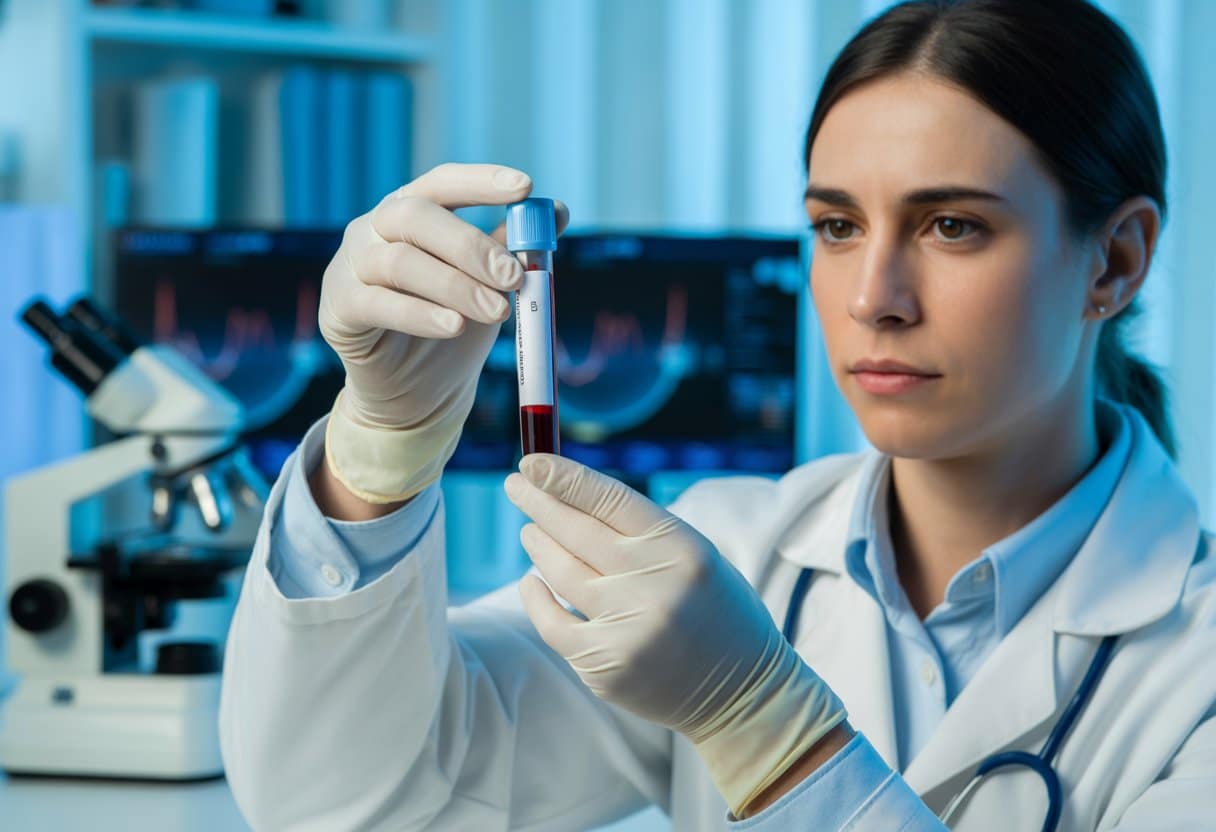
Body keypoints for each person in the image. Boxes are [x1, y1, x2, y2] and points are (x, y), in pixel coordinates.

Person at [218, 0, 1216, 829]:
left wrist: (763, 730)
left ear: (1114, 261)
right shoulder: (727, 558)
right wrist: (378, 453)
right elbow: (346, 803)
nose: (874, 295)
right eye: (835, 225)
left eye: (951, 225)